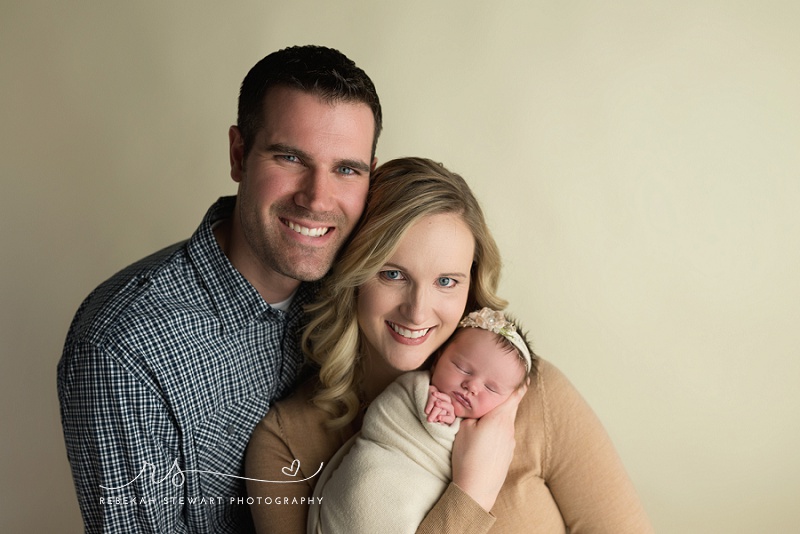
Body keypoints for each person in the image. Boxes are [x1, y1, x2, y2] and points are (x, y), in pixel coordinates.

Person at [57, 45, 381, 533]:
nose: (317, 198)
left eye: (346, 169)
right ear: (238, 154)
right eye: (290, 157)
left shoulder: (368, 290)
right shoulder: (124, 344)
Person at [245, 157, 653, 533]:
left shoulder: (538, 394)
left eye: (446, 282)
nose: (418, 312)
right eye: (392, 274)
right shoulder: (284, 444)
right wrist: (471, 494)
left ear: (470, 286)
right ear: (352, 273)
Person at [310, 308, 535, 534]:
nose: (472, 386)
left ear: (509, 402)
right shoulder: (414, 391)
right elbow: (385, 418)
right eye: (462, 368)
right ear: (437, 360)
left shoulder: (500, 437)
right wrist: (436, 420)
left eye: (491, 388)